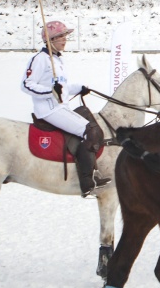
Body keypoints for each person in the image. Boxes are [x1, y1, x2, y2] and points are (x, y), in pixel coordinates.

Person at [22, 20, 102, 193]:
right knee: (89, 131)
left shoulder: (58, 61)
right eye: (60, 36)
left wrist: (79, 88)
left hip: (60, 108)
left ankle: (93, 172)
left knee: (92, 126)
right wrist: (49, 91)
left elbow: (62, 88)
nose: (65, 39)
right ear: (50, 40)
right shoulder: (40, 59)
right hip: (48, 110)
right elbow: (26, 84)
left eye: (65, 36)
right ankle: (87, 181)